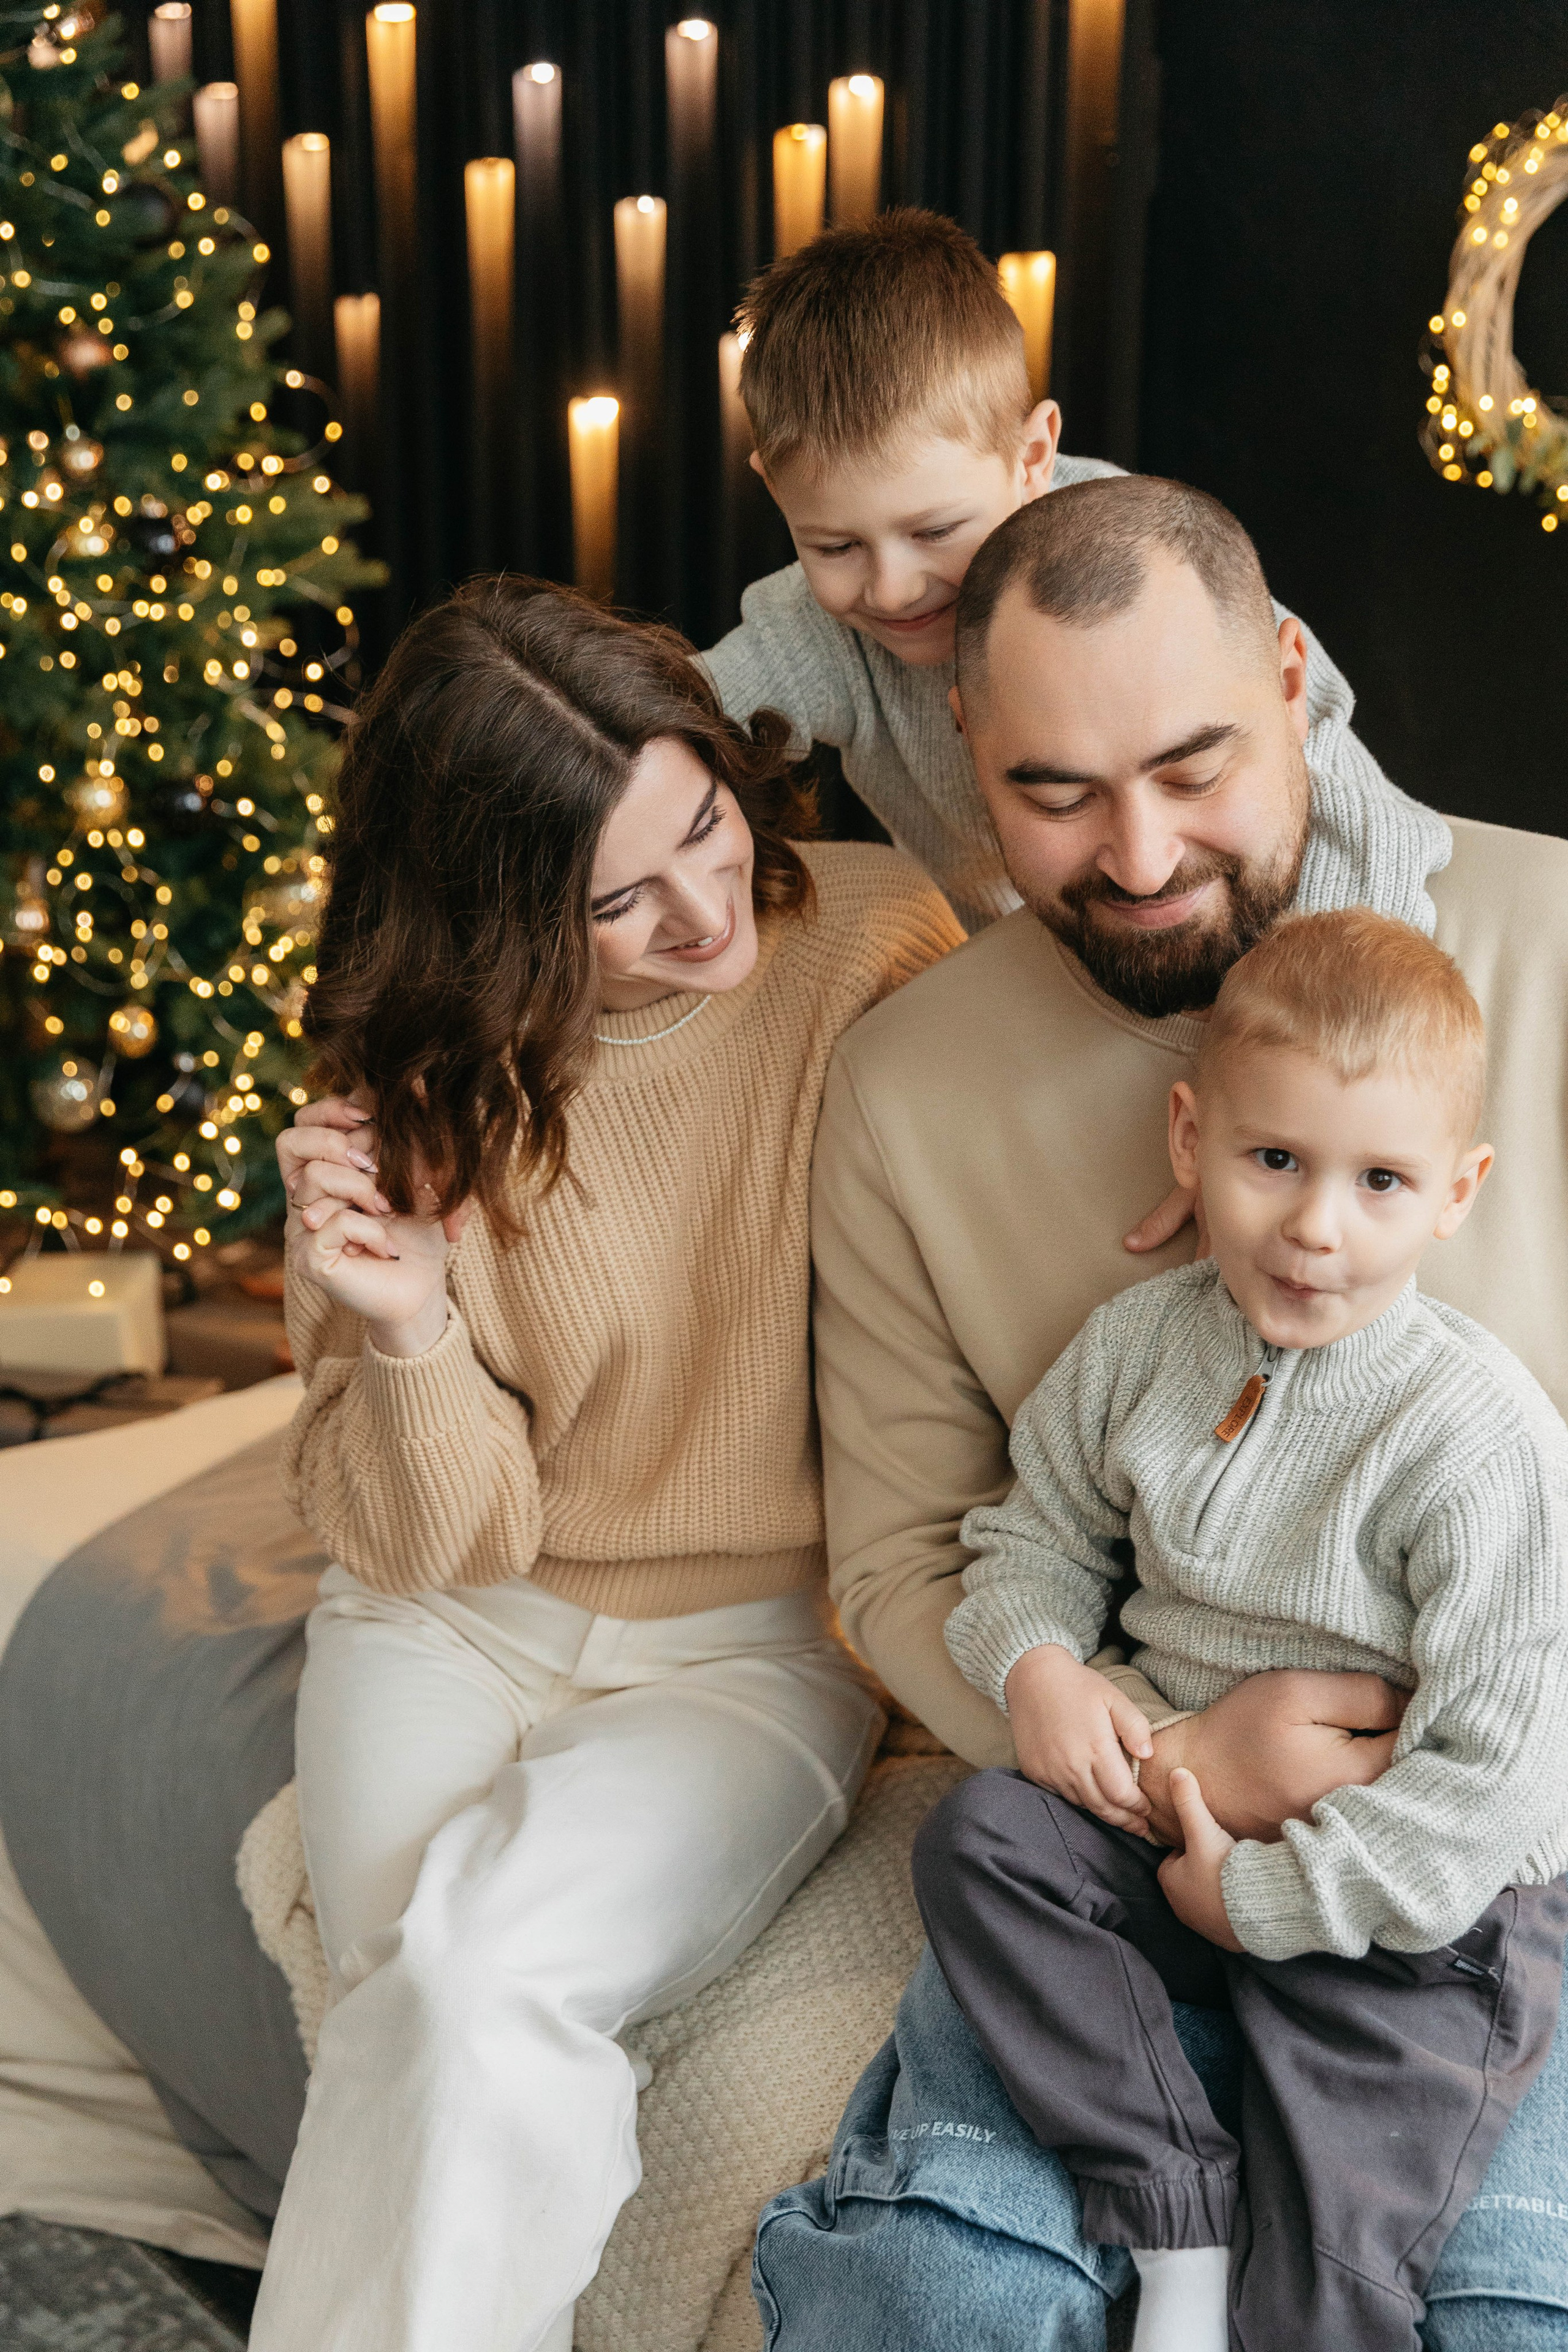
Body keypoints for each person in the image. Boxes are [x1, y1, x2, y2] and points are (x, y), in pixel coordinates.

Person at [786, 472, 1568, 2347]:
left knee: (1482, 2311)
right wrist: (1181, 1758)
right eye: (1054, 790)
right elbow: (907, 1553)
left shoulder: (1547, 942)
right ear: (965, 742)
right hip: (1118, 1817)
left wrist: (1403, 1791)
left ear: (1293, 678)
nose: (1136, 854)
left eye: (1192, 766)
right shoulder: (905, 1086)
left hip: (1468, 1837)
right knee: (934, 2300)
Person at [245, 578, 962, 2352]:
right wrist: (408, 1325)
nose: (706, 914)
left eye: (706, 828)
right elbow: (433, 1538)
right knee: (413, 2010)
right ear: (490, 918)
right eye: (617, 902)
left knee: (471, 1979)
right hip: (443, 1621)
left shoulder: (877, 941)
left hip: (744, 1648)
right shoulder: (412, 1082)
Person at [914, 907, 1568, 2352]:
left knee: (1334, 2254)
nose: (1313, 1226)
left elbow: (1494, 1778)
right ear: (1187, 1138)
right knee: (979, 1840)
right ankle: (1172, 2217)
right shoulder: (1135, 1348)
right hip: (1171, 1823)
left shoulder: (1478, 1437)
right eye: (1271, 1160)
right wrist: (1035, 1667)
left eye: (1377, 1180)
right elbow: (1026, 1543)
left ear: (1453, 1193)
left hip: (1408, 1907)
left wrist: (1266, 1904)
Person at [704, 208, 1358, 940]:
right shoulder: (822, 633)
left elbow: (1334, 756)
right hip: (1011, 946)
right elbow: (665, 724)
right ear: (775, 491)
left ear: (1032, 457)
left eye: (934, 532)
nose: (890, 588)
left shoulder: (1145, 566)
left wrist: (1332, 965)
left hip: (1232, 927)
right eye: (835, 547)